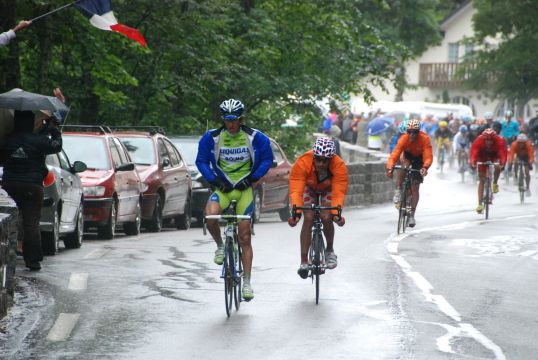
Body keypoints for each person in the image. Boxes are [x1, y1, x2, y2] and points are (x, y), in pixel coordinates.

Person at [196, 98, 273, 301]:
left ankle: (247, 282)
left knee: (245, 237)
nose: (231, 124)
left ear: (241, 119)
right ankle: (220, 246)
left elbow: (267, 159)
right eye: (227, 120)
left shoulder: (255, 137)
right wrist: (214, 180)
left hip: (244, 188)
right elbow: (201, 161)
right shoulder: (211, 137)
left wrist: (252, 178)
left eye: (234, 120)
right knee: (210, 217)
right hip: (223, 187)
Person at [1, 101, 63, 270]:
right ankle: (33, 260)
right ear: (31, 123)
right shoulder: (39, 141)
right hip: (32, 186)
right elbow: (56, 146)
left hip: (9, 185)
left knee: (7, 221)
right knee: (31, 223)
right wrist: (54, 130)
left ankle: (5, 256)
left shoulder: (7, 140)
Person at [288, 137, 347, 279]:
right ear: (314, 157)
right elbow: (296, 190)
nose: (321, 163)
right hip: (309, 187)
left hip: (328, 188)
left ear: (331, 159)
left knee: (326, 216)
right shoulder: (303, 162)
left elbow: (338, 193)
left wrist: (336, 214)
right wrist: (296, 214)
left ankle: (329, 251)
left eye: (325, 161)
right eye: (318, 159)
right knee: (308, 217)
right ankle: (303, 261)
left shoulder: (339, 166)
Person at [386, 119, 433, 228]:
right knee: (404, 167)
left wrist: (425, 167)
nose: (412, 134)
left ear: (418, 132)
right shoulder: (404, 138)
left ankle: (412, 214)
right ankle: (398, 189)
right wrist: (389, 167)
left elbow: (428, 156)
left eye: (414, 132)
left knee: (415, 186)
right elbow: (395, 154)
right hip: (408, 156)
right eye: (409, 132)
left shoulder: (425, 139)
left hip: (419, 159)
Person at [470, 128, 507, 213]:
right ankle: (479, 204)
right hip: (482, 157)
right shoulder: (478, 141)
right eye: (487, 140)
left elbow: (503, 154)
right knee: (482, 180)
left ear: (494, 139)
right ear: (483, 139)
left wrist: (502, 164)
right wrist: (473, 163)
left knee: (497, 167)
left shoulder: (499, 141)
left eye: (491, 140)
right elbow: (473, 153)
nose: (489, 142)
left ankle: (494, 183)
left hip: (494, 156)